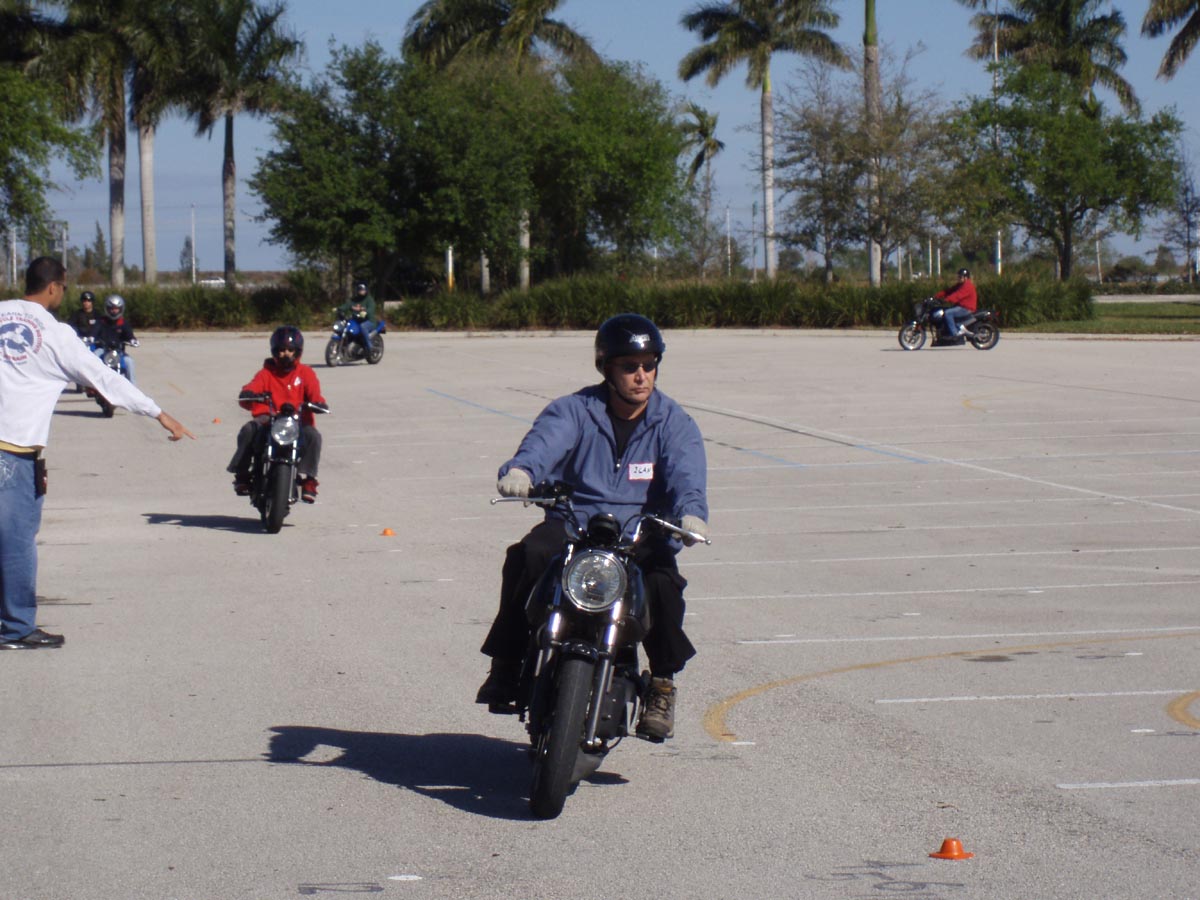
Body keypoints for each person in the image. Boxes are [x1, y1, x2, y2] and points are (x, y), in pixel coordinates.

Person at [475, 313, 709, 741]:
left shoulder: (674, 423)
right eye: (629, 366)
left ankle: (661, 684)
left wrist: (690, 514)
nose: (641, 376)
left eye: (649, 365)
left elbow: (686, 475)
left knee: (663, 584)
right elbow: (544, 443)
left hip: (641, 533)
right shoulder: (574, 410)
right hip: (575, 523)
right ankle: (506, 663)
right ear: (606, 368)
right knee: (528, 555)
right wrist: (523, 471)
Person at [0, 257, 193, 650]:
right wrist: (158, 413)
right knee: (17, 543)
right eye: (64, 288)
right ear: (54, 287)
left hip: (14, 450)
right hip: (13, 452)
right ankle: (16, 628)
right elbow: (105, 378)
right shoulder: (56, 334)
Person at [227, 325, 327, 503]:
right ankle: (242, 473)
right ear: (274, 351)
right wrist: (249, 393)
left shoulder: (306, 373)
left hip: (297, 421)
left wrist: (318, 404)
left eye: (290, 350)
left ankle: (309, 479)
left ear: (298, 351)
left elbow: (315, 395)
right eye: (281, 350)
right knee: (249, 430)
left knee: (314, 436)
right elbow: (253, 386)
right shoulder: (266, 373)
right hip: (269, 418)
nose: (285, 354)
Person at [92, 294, 138, 384]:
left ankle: (133, 387)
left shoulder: (123, 323)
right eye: (111, 308)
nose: (114, 311)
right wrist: (91, 337)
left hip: (119, 352)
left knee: (129, 362)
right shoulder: (101, 321)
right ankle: (92, 384)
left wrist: (133, 340)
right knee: (94, 357)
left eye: (116, 308)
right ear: (107, 309)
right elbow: (94, 331)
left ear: (121, 309)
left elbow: (129, 334)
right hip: (102, 350)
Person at [934, 267, 978, 339]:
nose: (958, 278)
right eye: (958, 276)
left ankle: (955, 333)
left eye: (960, 277)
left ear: (966, 277)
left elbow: (957, 295)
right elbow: (949, 291)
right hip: (960, 307)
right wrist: (936, 296)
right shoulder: (960, 285)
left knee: (948, 313)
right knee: (944, 310)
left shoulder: (968, 286)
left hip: (967, 308)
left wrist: (946, 300)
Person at [337, 281, 377, 356]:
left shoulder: (369, 299)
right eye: (360, 290)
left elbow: (371, 309)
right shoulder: (354, 300)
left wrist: (366, 312)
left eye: (363, 290)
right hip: (356, 320)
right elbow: (347, 305)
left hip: (369, 321)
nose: (361, 291)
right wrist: (339, 309)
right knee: (346, 326)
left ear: (366, 290)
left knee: (363, 326)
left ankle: (370, 347)